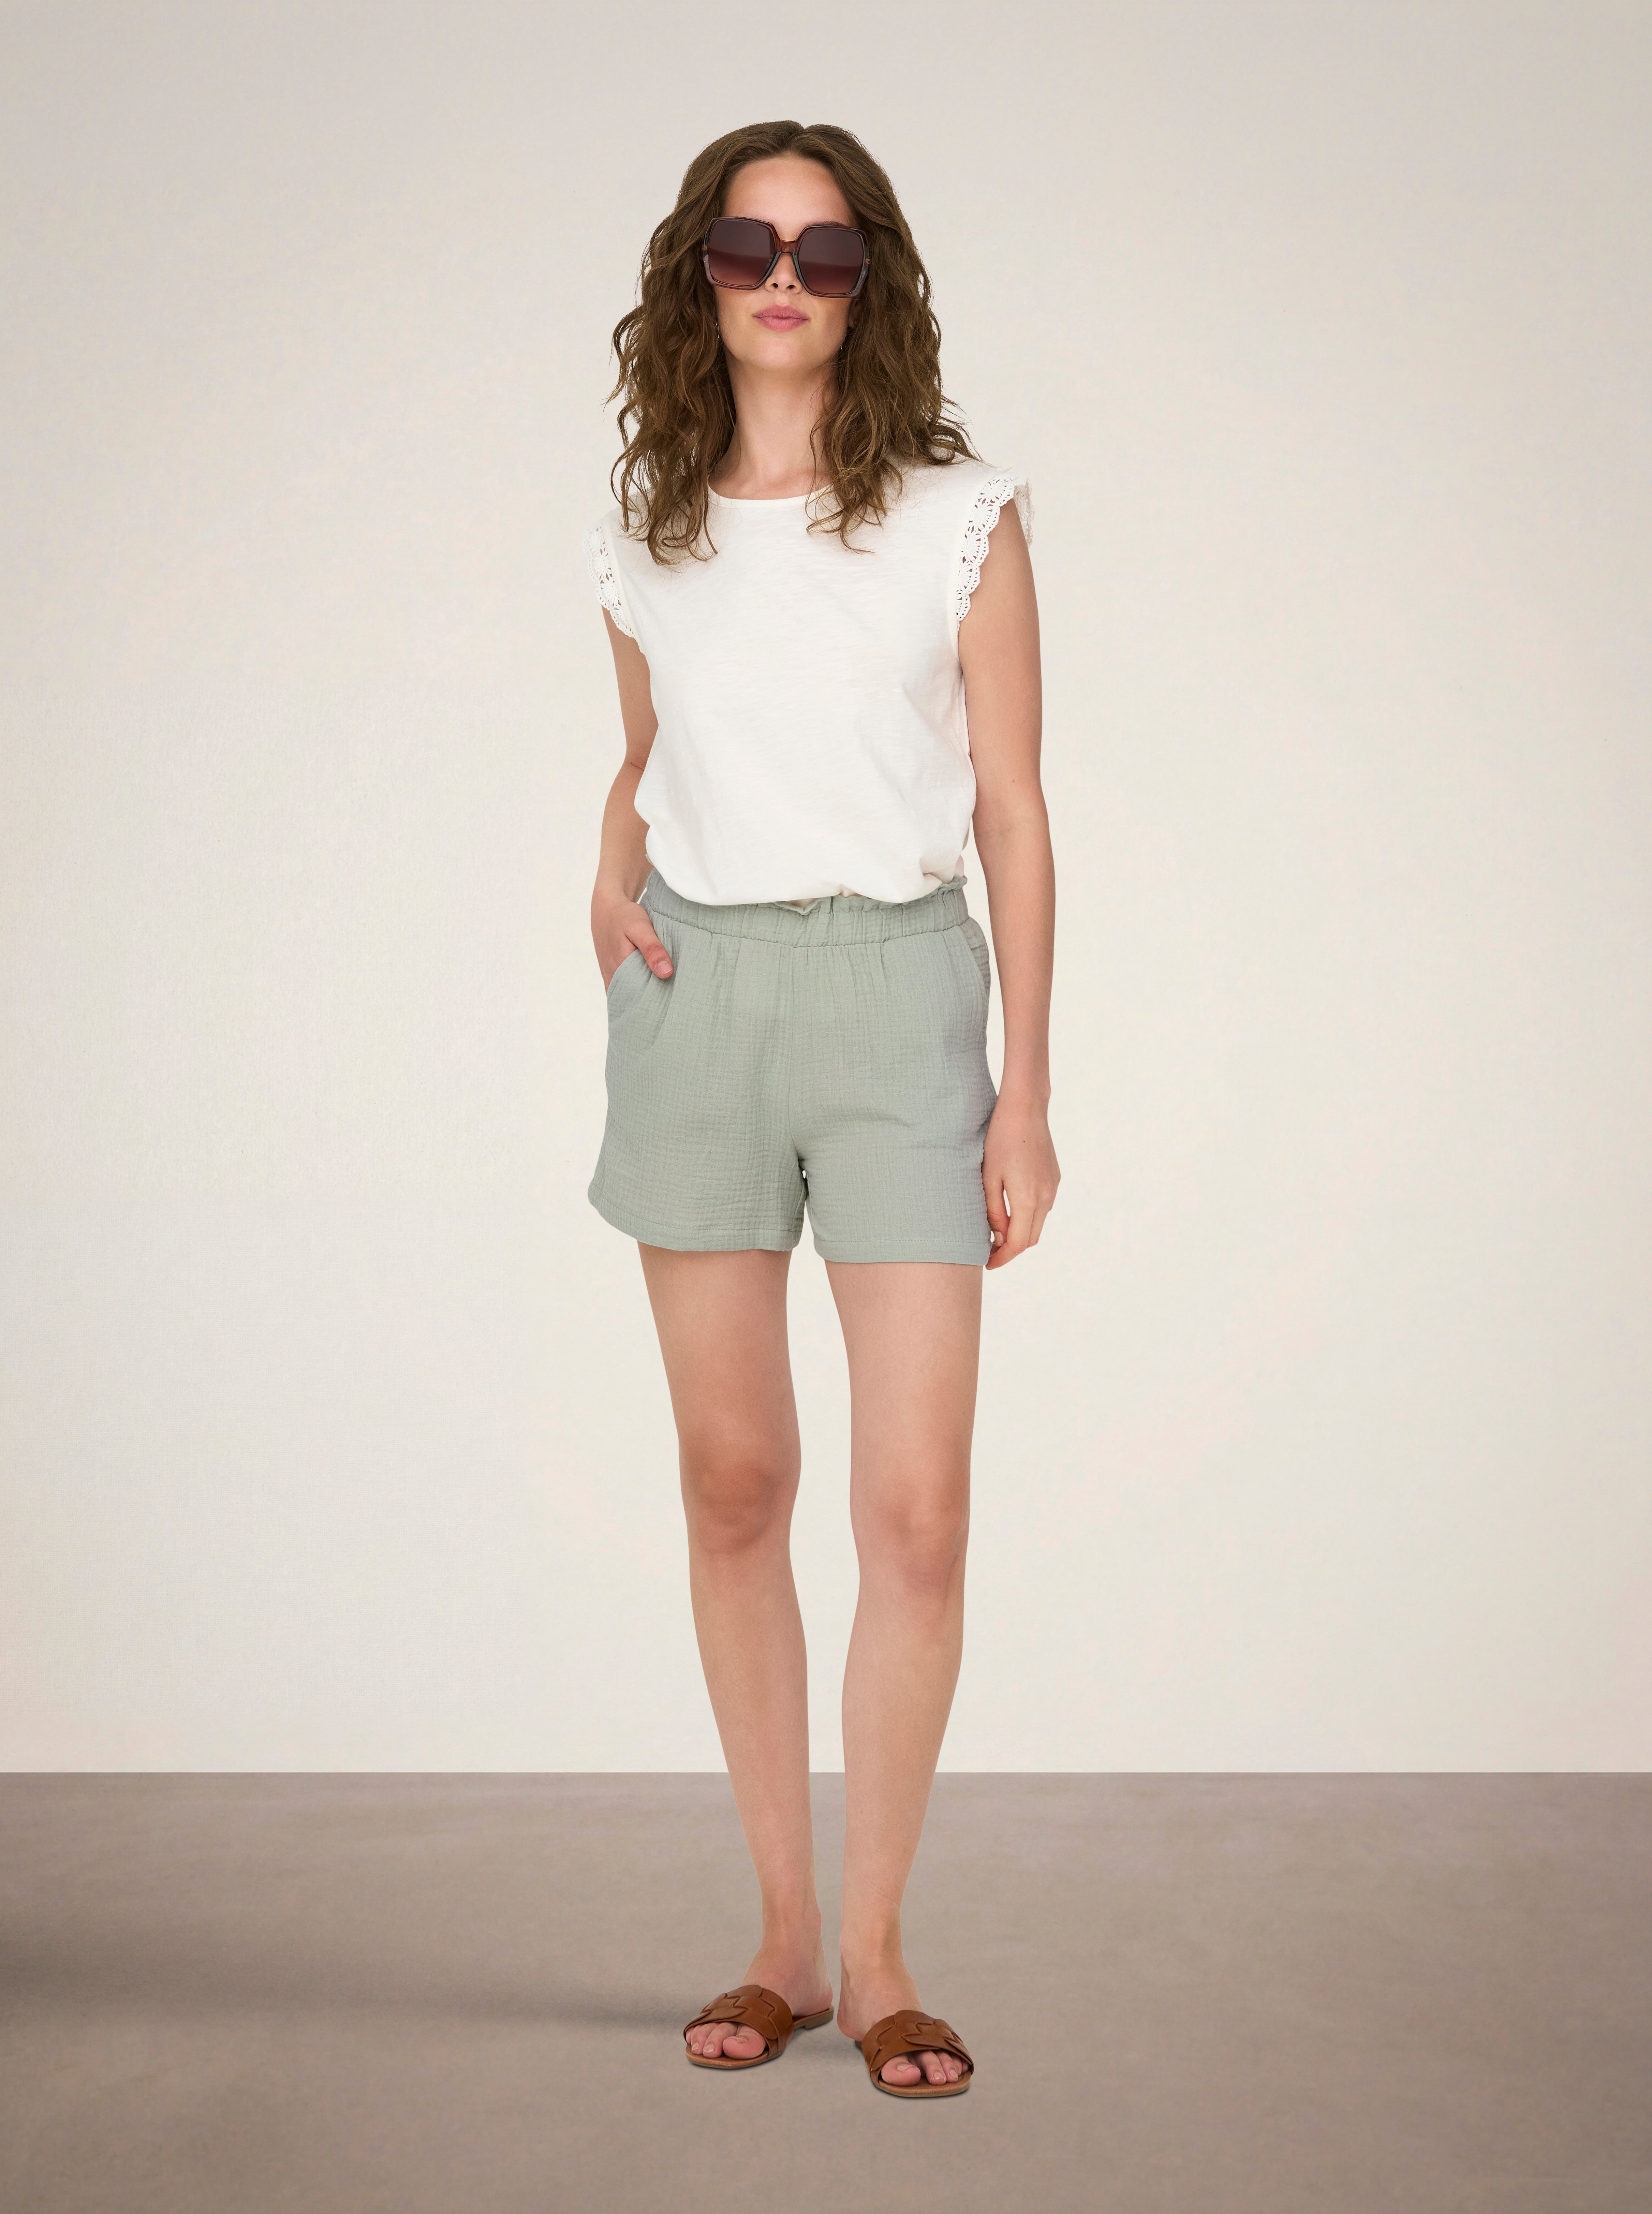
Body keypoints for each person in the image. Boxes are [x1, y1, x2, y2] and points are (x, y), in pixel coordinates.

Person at [582, 119, 1058, 2101]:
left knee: (917, 1509)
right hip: (696, 1006)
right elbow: (647, 759)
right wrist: (604, 876)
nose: (784, 279)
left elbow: (1015, 810)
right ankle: (781, 1936)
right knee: (732, 1483)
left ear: (872, 286)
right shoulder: (647, 534)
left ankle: (878, 1957)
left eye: (826, 252)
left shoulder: (958, 517)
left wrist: (1027, 1094)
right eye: (748, 244)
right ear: (696, 273)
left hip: (899, 1004)